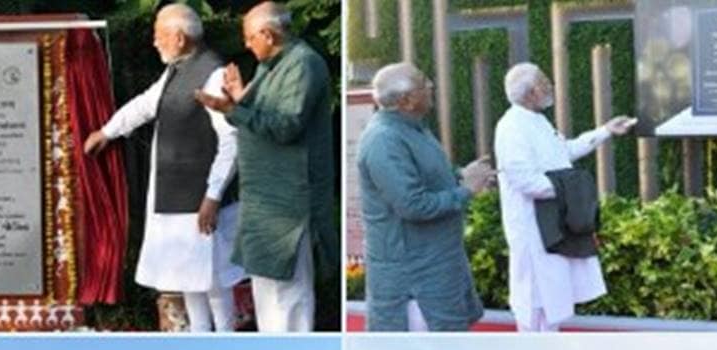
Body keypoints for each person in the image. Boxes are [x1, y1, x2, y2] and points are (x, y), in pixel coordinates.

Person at [84, 3, 243, 332]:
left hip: (200, 199)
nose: (154, 43)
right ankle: (200, 338)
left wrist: (213, 196)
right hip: (177, 196)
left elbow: (232, 139)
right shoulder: (178, 69)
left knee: (213, 280)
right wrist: (107, 131)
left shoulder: (212, 75)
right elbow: (147, 103)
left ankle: (226, 339)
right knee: (188, 277)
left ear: (179, 37)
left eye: (159, 36)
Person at [195, 1, 336, 332]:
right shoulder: (270, 65)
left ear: (268, 34)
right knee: (266, 294)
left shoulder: (303, 64)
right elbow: (261, 116)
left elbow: (286, 126)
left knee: (289, 296)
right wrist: (239, 98)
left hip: (290, 200)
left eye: (249, 38)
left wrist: (231, 109)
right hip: (263, 198)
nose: (246, 45)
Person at [494, 62, 635, 332]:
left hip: (553, 223)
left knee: (554, 296)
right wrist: (570, 189)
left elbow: (563, 152)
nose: (551, 86)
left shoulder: (536, 120)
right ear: (532, 91)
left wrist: (606, 131)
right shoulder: (511, 127)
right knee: (536, 299)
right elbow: (524, 180)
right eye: (545, 81)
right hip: (533, 227)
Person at [356, 62, 494, 332]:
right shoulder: (384, 141)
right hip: (415, 279)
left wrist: (461, 175)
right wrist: (466, 191)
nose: (431, 85)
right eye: (423, 82)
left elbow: (430, 176)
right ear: (406, 101)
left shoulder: (412, 128)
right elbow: (413, 205)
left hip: (438, 265)